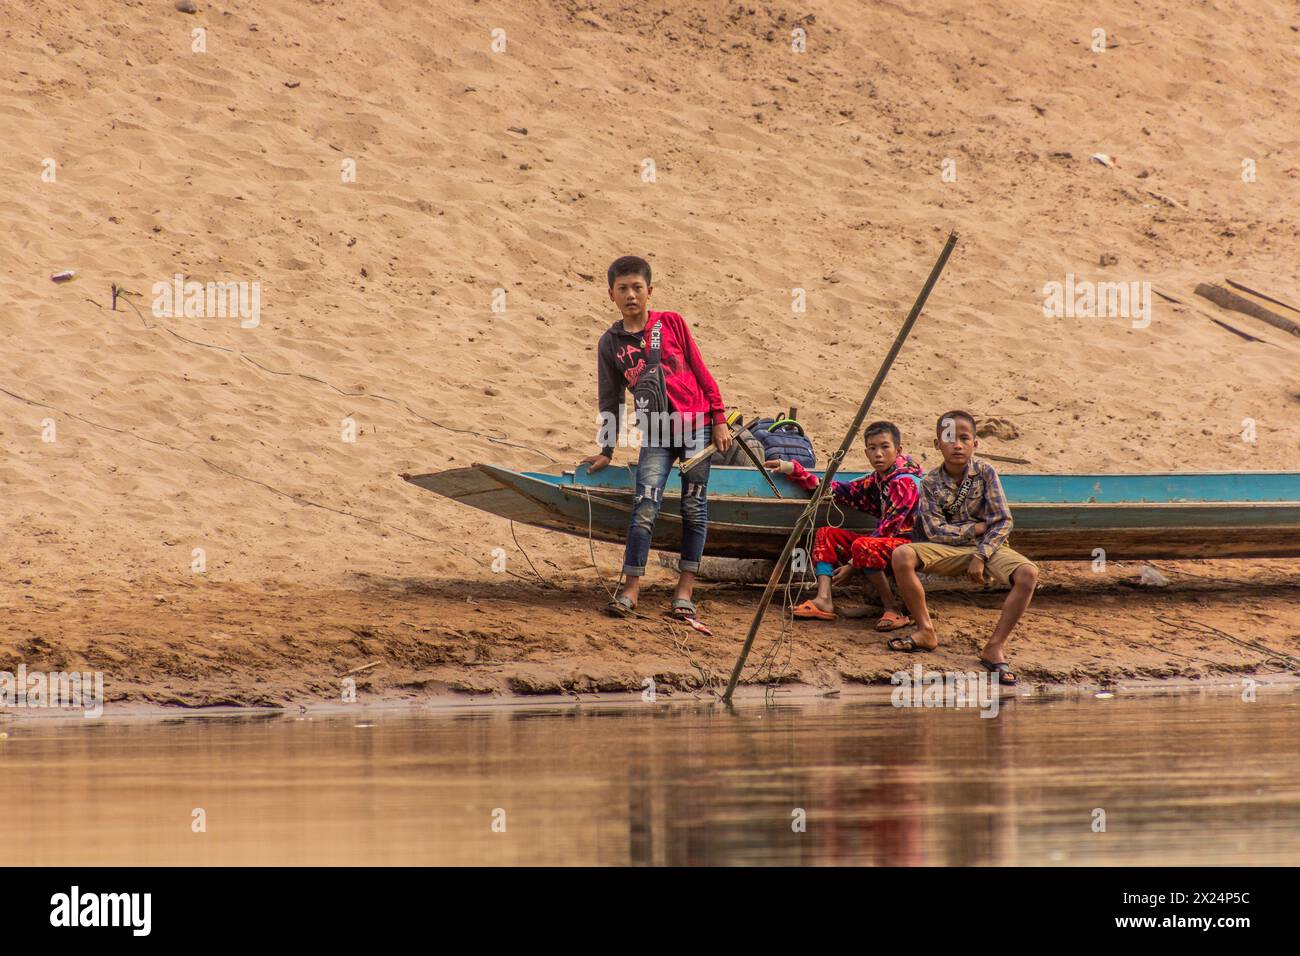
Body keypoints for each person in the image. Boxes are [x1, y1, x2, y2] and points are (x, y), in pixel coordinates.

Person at [581, 255, 732, 620]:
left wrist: (719, 418)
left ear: (650, 291)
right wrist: (606, 449)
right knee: (644, 505)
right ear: (611, 295)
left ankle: (684, 591)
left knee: (694, 507)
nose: (631, 294)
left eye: (637, 287)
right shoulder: (610, 343)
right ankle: (630, 589)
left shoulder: (672, 324)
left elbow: (700, 369)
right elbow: (610, 399)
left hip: (696, 426)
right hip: (657, 432)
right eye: (623, 289)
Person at [888, 410, 1039, 685]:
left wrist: (981, 555)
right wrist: (975, 528)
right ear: (937, 444)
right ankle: (925, 630)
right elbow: (935, 531)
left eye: (964, 438)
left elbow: (1002, 522)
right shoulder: (931, 482)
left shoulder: (985, 472)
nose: (957, 445)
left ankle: (994, 646)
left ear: (975, 444)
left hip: (988, 549)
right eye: (949, 439)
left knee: (1028, 574)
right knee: (902, 555)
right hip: (948, 549)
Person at [765, 421, 922, 630]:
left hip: (909, 546)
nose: (879, 454)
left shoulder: (905, 482)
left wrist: (851, 564)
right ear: (866, 453)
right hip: (884, 544)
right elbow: (835, 491)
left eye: (885, 447)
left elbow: (888, 529)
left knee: (864, 546)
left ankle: (893, 608)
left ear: (898, 450)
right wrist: (793, 469)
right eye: (873, 448)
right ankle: (824, 599)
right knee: (826, 534)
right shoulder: (877, 480)